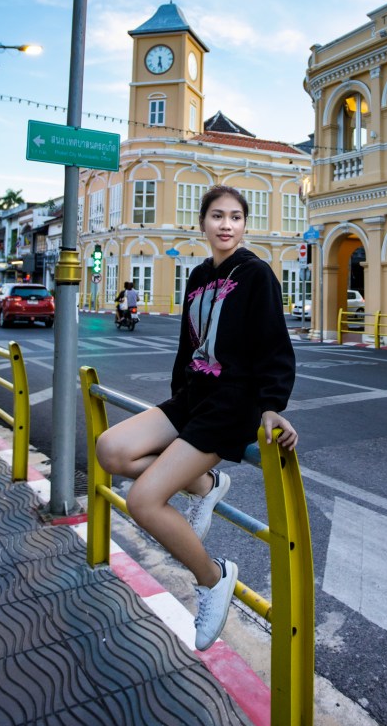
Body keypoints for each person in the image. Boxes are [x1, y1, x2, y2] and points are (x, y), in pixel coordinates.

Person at [96, 185, 298, 651]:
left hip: (232, 404)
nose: (226, 225)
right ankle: (206, 485)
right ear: (202, 222)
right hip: (194, 396)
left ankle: (212, 577)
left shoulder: (256, 273)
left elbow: (274, 344)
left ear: (244, 225)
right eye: (217, 216)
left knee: (144, 501)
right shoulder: (199, 275)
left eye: (235, 217)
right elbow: (187, 346)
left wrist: (272, 405)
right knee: (110, 449)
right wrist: (177, 404)